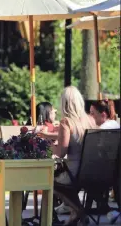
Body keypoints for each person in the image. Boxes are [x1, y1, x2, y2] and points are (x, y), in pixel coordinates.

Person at [52, 86, 97, 226]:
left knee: (49, 180)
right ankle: (75, 214)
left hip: (73, 173)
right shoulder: (90, 120)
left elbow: (61, 153)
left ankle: (78, 211)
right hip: (92, 172)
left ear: (64, 103)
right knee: (63, 181)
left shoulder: (66, 122)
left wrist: (47, 146)